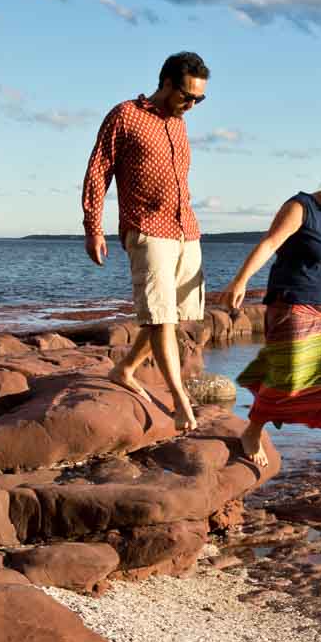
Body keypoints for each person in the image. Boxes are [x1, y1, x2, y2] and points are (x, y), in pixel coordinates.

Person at [217, 162, 321, 481]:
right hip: (292, 307)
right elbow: (269, 244)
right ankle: (251, 431)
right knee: (287, 379)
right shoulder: (300, 207)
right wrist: (239, 282)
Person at [81, 51, 209, 432]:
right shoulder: (125, 116)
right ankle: (180, 403)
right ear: (166, 84)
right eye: (187, 96)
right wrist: (94, 226)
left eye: (199, 99)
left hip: (186, 228)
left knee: (174, 318)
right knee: (161, 318)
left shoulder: (179, 124)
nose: (192, 105)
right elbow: (98, 170)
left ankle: (125, 369)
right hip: (148, 229)